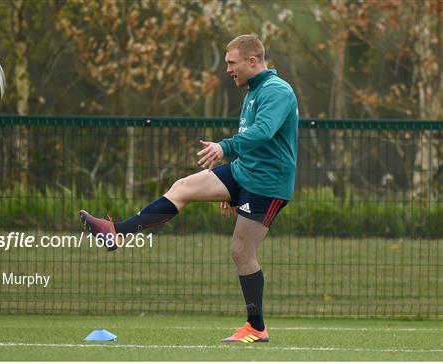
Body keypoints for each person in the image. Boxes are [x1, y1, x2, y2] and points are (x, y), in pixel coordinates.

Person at [80, 34, 298, 343]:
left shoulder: (276, 91)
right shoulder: (253, 90)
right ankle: (117, 232)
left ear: (253, 61)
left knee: (241, 251)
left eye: (232, 63)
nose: (227, 70)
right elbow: (256, 141)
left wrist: (225, 147)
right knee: (182, 187)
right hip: (245, 173)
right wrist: (231, 189)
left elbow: (263, 133)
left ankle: (256, 327)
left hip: (267, 185)